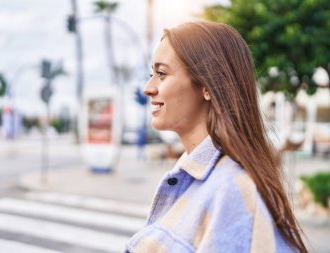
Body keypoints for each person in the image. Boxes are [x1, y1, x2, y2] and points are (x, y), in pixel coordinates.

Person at [123, 21, 307, 253]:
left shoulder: (231, 192)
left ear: (208, 86)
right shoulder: (194, 177)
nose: (148, 88)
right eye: (152, 74)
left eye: (161, 74)